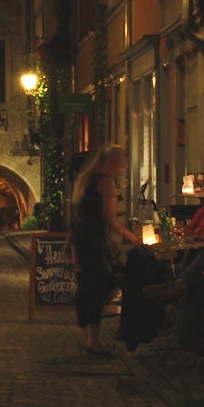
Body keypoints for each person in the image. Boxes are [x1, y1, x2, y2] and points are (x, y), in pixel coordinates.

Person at [70, 145, 140, 357]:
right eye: (122, 166)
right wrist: (133, 239)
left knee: (85, 288)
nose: (122, 171)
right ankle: (94, 342)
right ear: (112, 162)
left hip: (81, 238)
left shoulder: (86, 180)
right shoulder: (106, 183)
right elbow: (110, 219)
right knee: (99, 287)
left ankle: (88, 338)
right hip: (93, 240)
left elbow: (79, 215)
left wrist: (71, 242)